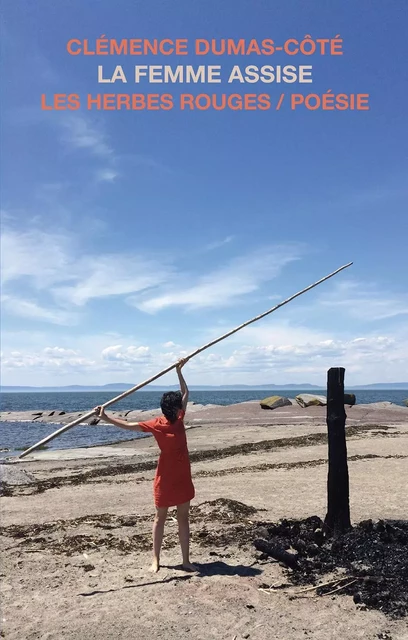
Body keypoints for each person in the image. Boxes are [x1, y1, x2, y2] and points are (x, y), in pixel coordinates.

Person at [94, 358, 197, 574]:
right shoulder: (157, 424)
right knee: (160, 518)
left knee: (183, 518)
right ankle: (155, 559)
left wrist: (179, 371)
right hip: (166, 478)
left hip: (182, 477)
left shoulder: (179, 417)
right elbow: (129, 425)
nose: (182, 405)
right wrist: (105, 417)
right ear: (174, 408)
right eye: (179, 404)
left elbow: (186, 392)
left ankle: (186, 560)